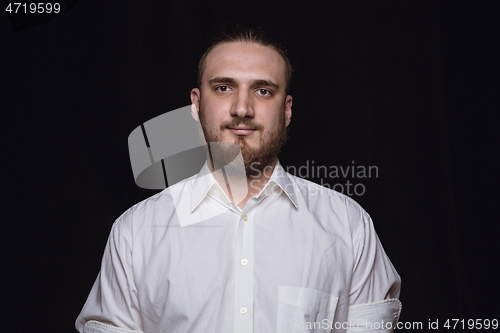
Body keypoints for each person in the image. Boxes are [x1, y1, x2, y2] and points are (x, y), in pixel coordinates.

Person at [76, 26, 401, 333]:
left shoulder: (349, 227)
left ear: (287, 110)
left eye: (263, 90)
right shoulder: (135, 234)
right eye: (223, 87)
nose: (242, 108)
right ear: (196, 103)